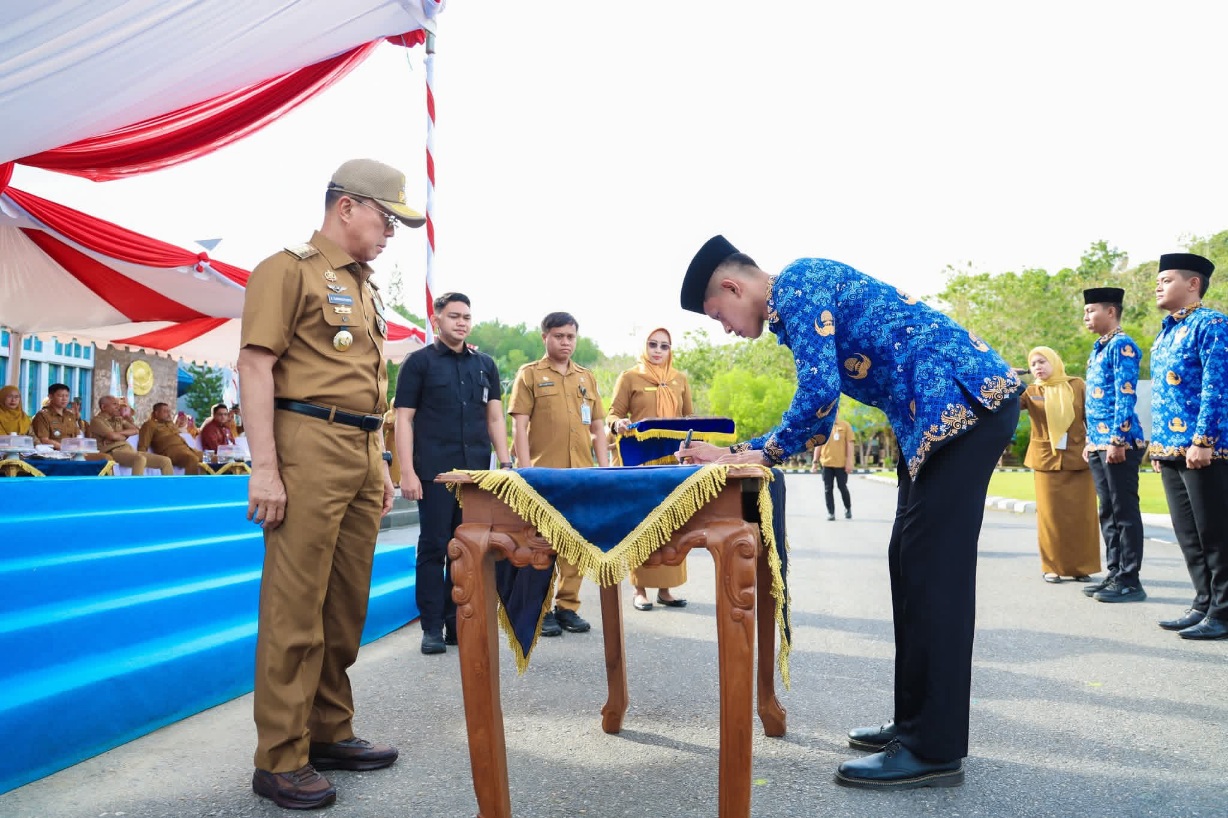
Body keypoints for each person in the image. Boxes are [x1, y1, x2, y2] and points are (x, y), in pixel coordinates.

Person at [677, 235, 1021, 790]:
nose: (727, 329)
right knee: (908, 564)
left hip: (964, 406)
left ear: (734, 288)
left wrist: (749, 453)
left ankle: (933, 748)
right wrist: (741, 452)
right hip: (934, 420)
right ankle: (914, 725)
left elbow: (819, 395)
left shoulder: (798, 284)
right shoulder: (794, 301)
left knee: (934, 577)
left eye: (719, 316)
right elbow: (816, 410)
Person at [237, 158, 424, 808]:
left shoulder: (365, 288)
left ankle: (327, 731)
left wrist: (377, 464)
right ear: (347, 206)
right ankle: (280, 757)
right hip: (306, 444)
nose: (391, 232)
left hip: (359, 449)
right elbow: (255, 365)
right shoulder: (286, 270)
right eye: (387, 219)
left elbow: (366, 385)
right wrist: (264, 467)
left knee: (344, 607)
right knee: (295, 607)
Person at [395, 292, 512, 654]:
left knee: (468, 549)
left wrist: (506, 464)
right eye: (454, 316)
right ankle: (431, 627)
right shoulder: (418, 363)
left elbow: (495, 417)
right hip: (434, 474)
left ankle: (457, 623)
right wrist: (407, 472)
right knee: (434, 548)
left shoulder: (485, 365)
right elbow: (404, 419)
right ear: (437, 320)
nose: (461, 323)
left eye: (466, 317)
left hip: (475, 477)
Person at [509, 311, 610, 637]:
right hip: (544, 474)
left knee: (576, 541)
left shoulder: (586, 378)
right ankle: (540, 611)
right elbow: (519, 425)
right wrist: (525, 471)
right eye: (559, 336)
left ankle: (567, 606)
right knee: (541, 543)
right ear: (545, 337)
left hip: (581, 473)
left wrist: (605, 469)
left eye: (570, 336)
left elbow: (598, 428)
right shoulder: (530, 374)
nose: (566, 342)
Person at [1149, 252, 1228, 641]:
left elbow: (1217, 384)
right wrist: (1159, 447)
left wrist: (1203, 440)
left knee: (1215, 534)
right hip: (1171, 450)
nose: (1158, 287)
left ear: (1193, 283)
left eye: (1166, 280)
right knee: (1189, 534)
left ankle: (1224, 611)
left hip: (1204, 450)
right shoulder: (1164, 333)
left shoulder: (1212, 324)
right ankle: (1203, 603)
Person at [606, 327, 694, 611]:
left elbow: (689, 418)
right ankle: (639, 589)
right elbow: (613, 413)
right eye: (653, 344)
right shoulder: (630, 377)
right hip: (641, 462)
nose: (658, 350)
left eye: (664, 346)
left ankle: (666, 589)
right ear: (644, 347)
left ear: (670, 350)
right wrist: (617, 423)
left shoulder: (679, 379)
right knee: (642, 523)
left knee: (671, 524)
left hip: (672, 461)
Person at [1080, 287, 1148, 601]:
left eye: (1091, 310)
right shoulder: (1098, 348)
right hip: (1099, 443)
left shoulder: (1122, 345)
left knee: (1123, 511)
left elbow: (1125, 395)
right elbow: (1095, 402)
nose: (1086, 316)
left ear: (1110, 311)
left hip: (1119, 443)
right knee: (1107, 511)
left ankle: (1130, 580)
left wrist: (1117, 439)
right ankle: (1115, 573)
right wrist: (1091, 440)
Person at [1019, 347, 1102, 585]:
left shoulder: (1077, 385)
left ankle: (1080, 568)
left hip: (1079, 460)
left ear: (1054, 362)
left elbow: (1092, 417)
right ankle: (1052, 567)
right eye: (1033, 364)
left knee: (1082, 517)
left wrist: (1094, 442)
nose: (1038, 367)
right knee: (1050, 519)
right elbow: (1005, 405)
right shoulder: (1031, 391)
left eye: (1042, 361)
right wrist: (1008, 379)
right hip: (1046, 461)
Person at [91, 395, 174, 475]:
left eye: (118, 404)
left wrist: (120, 433)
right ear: (103, 407)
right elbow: (113, 436)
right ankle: (135, 485)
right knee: (140, 459)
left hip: (127, 449)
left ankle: (170, 485)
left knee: (165, 461)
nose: (118, 407)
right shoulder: (97, 421)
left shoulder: (118, 419)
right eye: (114, 404)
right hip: (112, 452)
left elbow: (136, 430)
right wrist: (119, 435)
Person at [137, 402, 203, 475]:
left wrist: (179, 423)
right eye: (165, 412)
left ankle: (208, 481)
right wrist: (143, 462)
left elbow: (178, 431)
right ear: (156, 413)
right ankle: (191, 482)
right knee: (192, 459)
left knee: (210, 457)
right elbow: (142, 447)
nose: (169, 414)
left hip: (188, 449)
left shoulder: (170, 424)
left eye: (169, 412)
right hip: (171, 453)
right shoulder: (150, 425)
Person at [812, 410, 855, 521]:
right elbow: (818, 445)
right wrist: (815, 462)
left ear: (838, 412)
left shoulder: (845, 426)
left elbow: (850, 445)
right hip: (826, 464)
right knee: (828, 489)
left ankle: (848, 508)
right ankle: (831, 513)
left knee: (842, 487)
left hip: (841, 464)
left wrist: (849, 462)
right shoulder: (823, 426)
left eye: (835, 411)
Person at [31, 384, 86, 449]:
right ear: (50, 396)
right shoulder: (42, 416)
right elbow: (43, 440)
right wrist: (66, 448)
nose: (64, 399)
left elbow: (78, 437)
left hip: (73, 451)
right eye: (60, 396)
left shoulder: (70, 415)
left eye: (67, 396)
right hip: (53, 452)